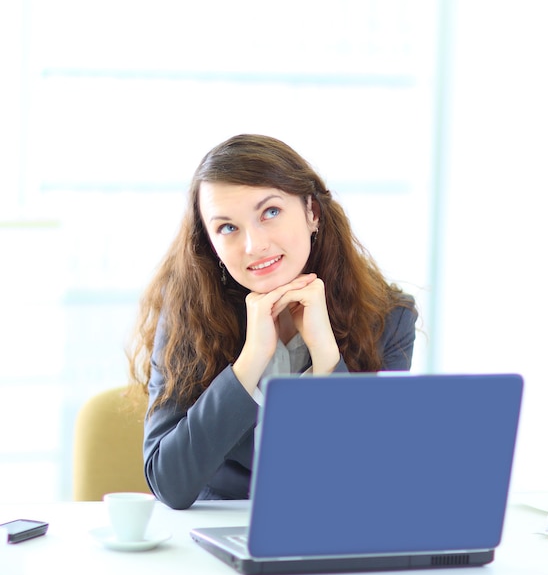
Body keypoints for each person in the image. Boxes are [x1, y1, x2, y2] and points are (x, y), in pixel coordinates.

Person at [128, 134, 418, 510]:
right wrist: (249, 362)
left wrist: (326, 360)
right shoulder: (189, 314)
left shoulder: (388, 319)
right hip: (218, 539)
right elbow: (169, 483)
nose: (254, 245)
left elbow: (371, 476)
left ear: (312, 212)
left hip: (331, 532)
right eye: (228, 228)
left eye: (270, 212)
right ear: (211, 244)